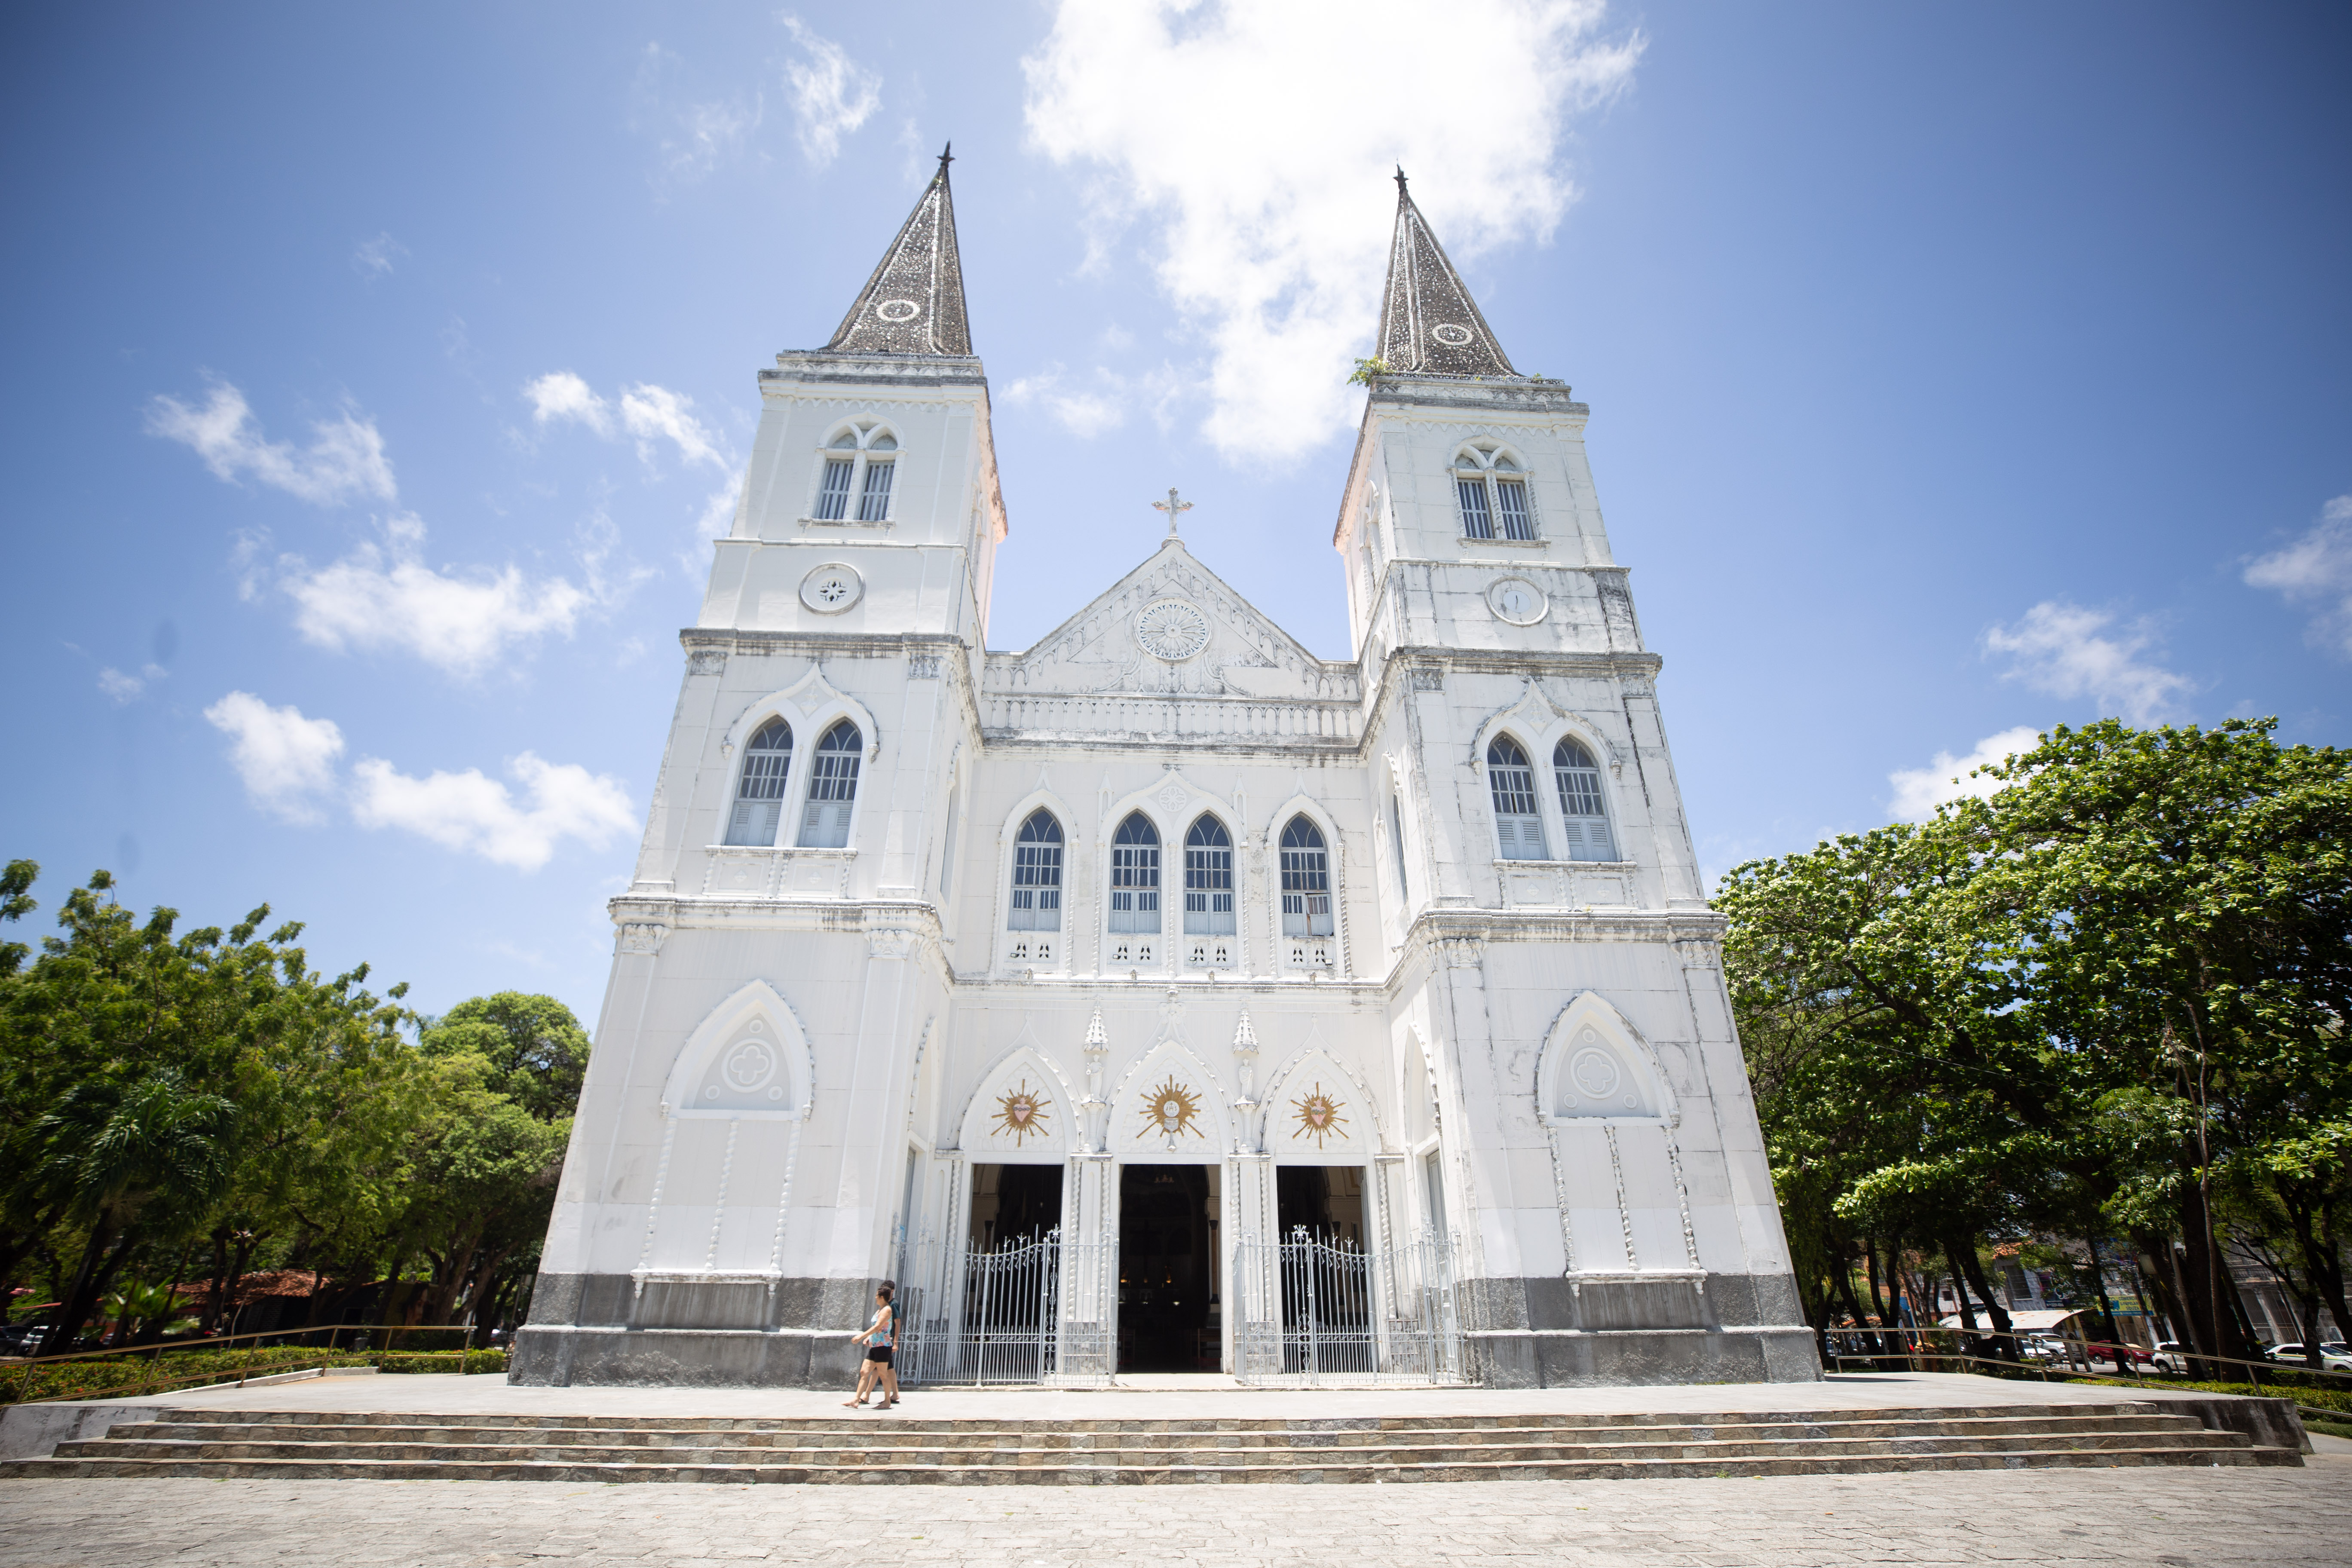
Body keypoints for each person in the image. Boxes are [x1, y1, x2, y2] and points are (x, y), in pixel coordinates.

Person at [845, 1282, 899, 1409]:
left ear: (882, 1297)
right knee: (864, 1372)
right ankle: (856, 1400)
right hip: (875, 1346)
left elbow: (878, 1327)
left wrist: (861, 1336)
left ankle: (887, 1402)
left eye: (877, 1296)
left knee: (883, 1374)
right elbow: (878, 1328)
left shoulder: (887, 1310)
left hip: (883, 1347)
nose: (875, 1298)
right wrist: (870, 1338)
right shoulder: (880, 1309)